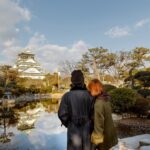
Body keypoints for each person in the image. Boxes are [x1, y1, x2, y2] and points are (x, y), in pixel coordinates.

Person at [58, 70, 93, 150]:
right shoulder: (90, 95)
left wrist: (69, 123)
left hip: (73, 127)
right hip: (87, 127)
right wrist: (90, 123)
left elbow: (62, 114)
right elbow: (94, 113)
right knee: (87, 147)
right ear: (82, 80)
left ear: (72, 81)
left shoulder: (67, 96)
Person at [88, 79, 118, 150]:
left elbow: (99, 123)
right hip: (110, 132)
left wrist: (96, 140)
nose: (89, 91)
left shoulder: (98, 103)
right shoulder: (106, 98)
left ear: (95, 89)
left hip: (104, 136)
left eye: (90, 89)